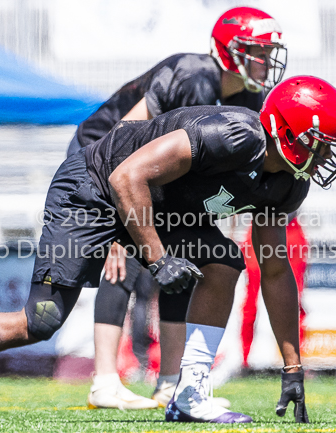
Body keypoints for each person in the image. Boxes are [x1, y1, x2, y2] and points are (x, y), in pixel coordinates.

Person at [0, 75, 336, 424]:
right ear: (290, 131)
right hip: (92, 189)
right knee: (40, 320)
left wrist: (293, 366)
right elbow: (126, 177)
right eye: (322, 142)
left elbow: (274, 272)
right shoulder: (232, 135)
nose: (327, 156)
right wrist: (157, 257)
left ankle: (190, 393)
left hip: (163, 208)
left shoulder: (288, 184)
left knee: (226, 260)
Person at [81, 6, 288, 410]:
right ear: (228, 50)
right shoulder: (193, 77)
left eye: (268, 52)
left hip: (159, 174)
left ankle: (171, 381)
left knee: (183, 259)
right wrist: (115, 216)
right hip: (103, 154)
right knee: (125, 255)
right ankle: (104, 379)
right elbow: (127, 138)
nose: (265, 61)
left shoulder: (250, 99)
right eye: (257, 51)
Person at [240, 217, 308, 369]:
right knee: (250, 302)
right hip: (259, 227)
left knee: (296, 300)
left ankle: (296, 364)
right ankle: (244, 361)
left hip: (291, 228)